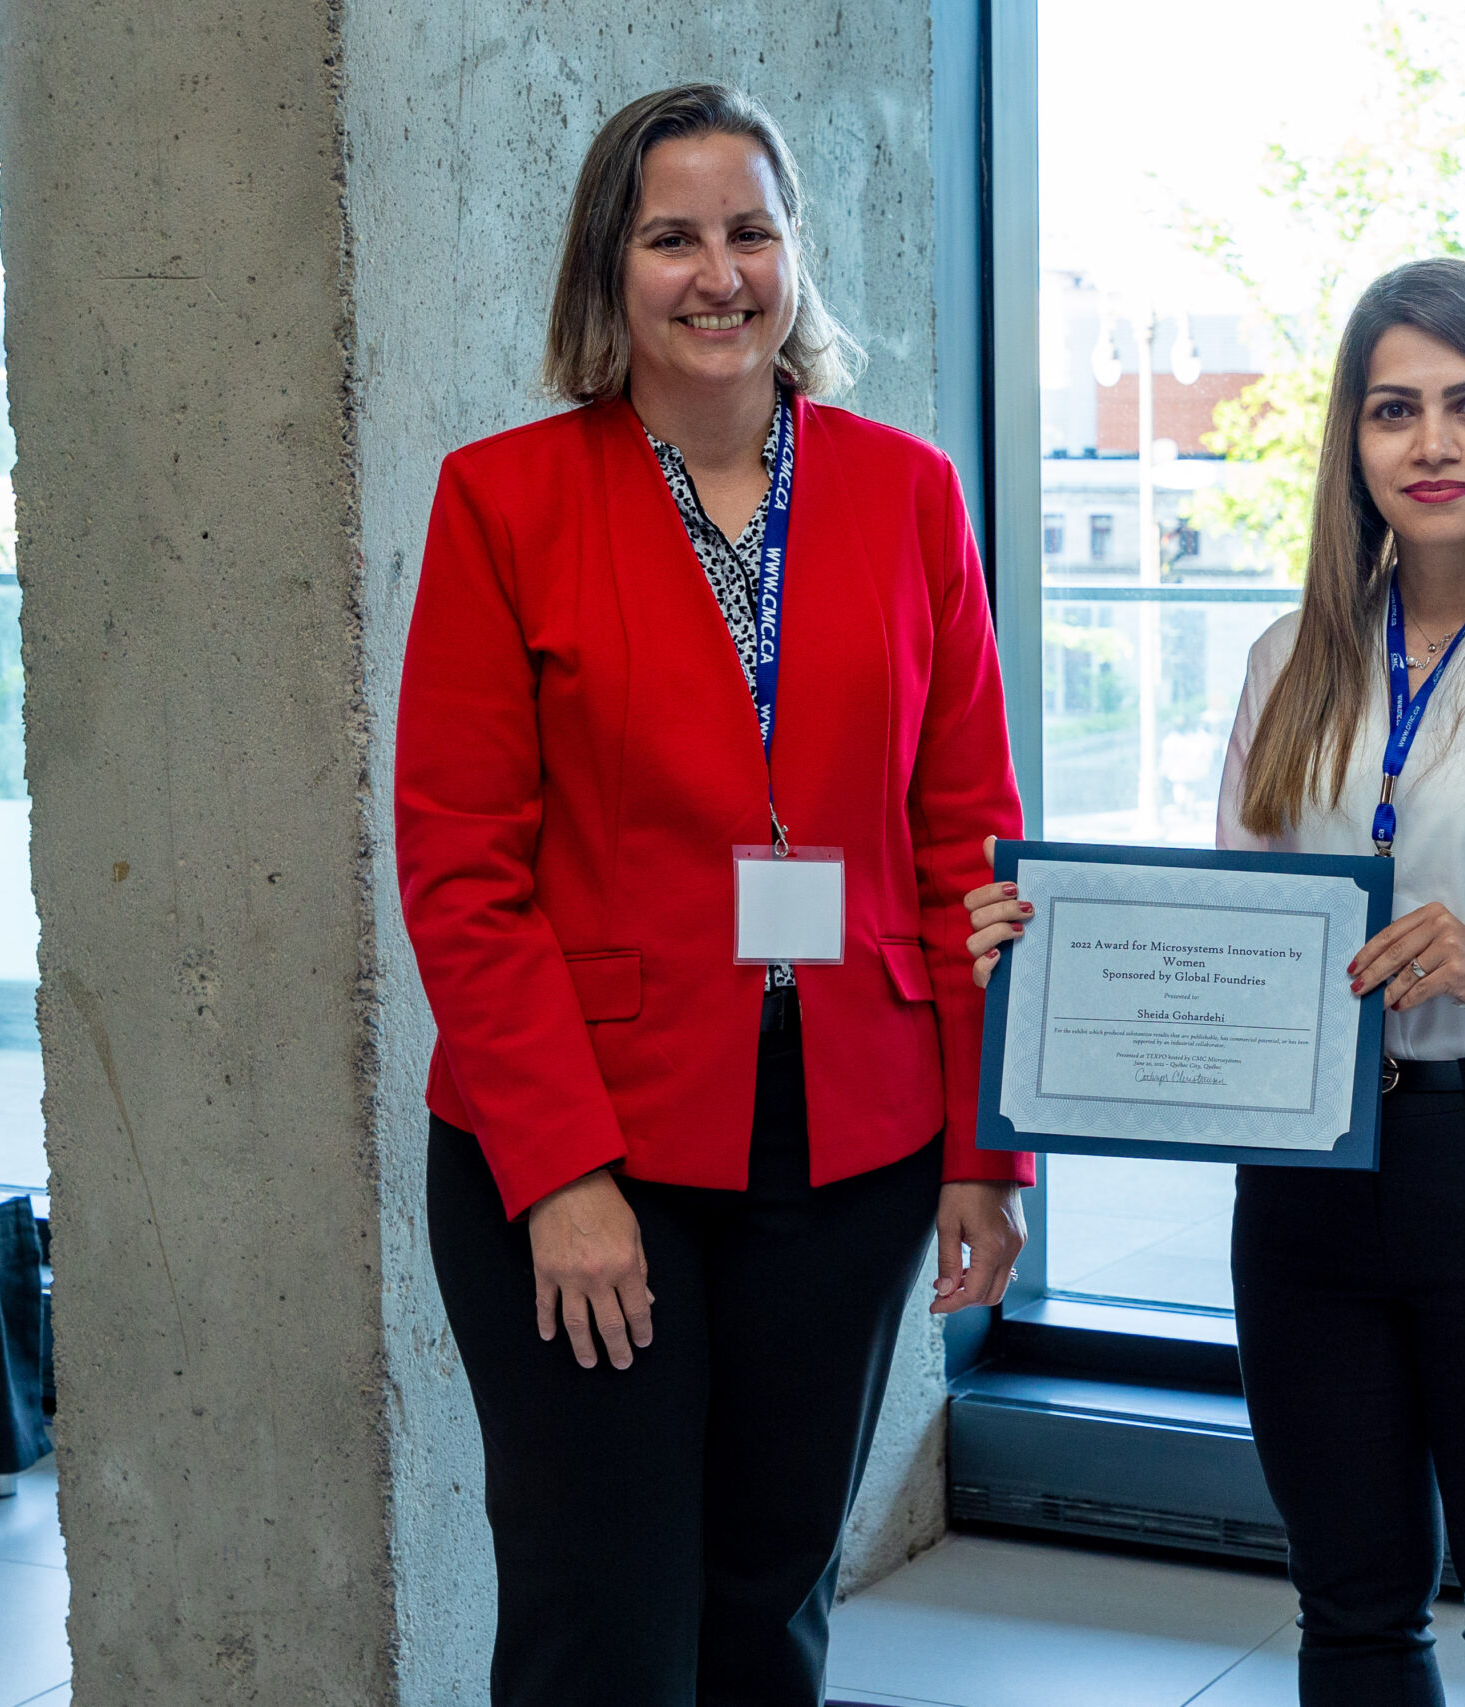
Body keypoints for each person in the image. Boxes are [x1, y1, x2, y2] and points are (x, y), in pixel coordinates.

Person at [965, 258, 1465, 1706]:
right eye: (1395, 410)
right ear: (1352, 443)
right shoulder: (1291, 660)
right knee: (1349, 1614)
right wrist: (1057, 956)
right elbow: (1241, 919)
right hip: (1310, 1187)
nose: (1434, 444)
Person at [397, 83, 1030, 1706]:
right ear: (610, 268)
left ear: (797, 260)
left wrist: (983, 1151)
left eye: (752, 231)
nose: (717, 271)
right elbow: (461, 873)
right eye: (672, 236)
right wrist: (559, 1176)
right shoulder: (504, 500)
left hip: (852, 1139)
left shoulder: (905, 494)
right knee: (599, 1617)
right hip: (587, 1140)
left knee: (771, 1597)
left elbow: (970, 842)